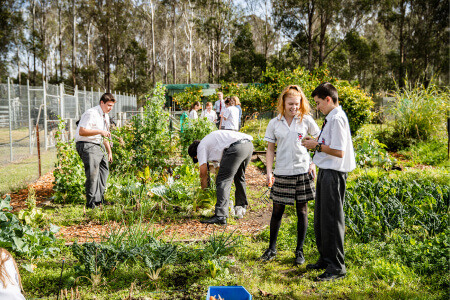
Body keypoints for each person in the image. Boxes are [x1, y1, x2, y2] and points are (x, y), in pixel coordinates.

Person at [259, 85, 320, 266]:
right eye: (290, 104)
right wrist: (269, 172)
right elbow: (270, 149)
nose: (294, 107)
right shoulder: (274, 123)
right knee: (277, 211)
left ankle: (299, 251)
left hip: (302, 171)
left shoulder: (306, 120)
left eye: (297, 103)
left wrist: (313, 163)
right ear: (283, 103)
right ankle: (271, 248)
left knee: (302, 211)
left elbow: (320, 140)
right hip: (282, 172)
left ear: (301, 103)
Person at [302, 82, 356, 281]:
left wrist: (316, 145)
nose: (317, 107)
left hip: (334, 174)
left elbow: (339, 151)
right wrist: (316, 144)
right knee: (322, 219)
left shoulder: (337, 119)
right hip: (326, 171)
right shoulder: (331, 118)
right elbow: (330, 146)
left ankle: (336, 266)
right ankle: (326, 258)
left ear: (328, 99)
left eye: (318, 103)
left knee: (332, 220)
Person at [188, 130, 254, 224]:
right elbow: (219, 167)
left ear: (195, 156)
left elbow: (203, 173)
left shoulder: (201, 147)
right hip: (248, 145)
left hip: (236, 148)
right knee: (239, 176)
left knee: (222, 180)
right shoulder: (210, 144)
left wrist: (204, 193)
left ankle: (221, 216)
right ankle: (241, 207)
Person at [75, 93, 115, 209]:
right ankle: (91, 203)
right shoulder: (91, 113)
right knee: (93, 174)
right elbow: (82, 131)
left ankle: (99, 200)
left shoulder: (105, 115)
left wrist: (109, 152)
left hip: (98, 145)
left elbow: (105, 136)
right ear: (102, 103)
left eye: (112, 106)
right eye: (108, 105)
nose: (110, 108)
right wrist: (99, 131)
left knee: (104, 170)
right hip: (87, 144)